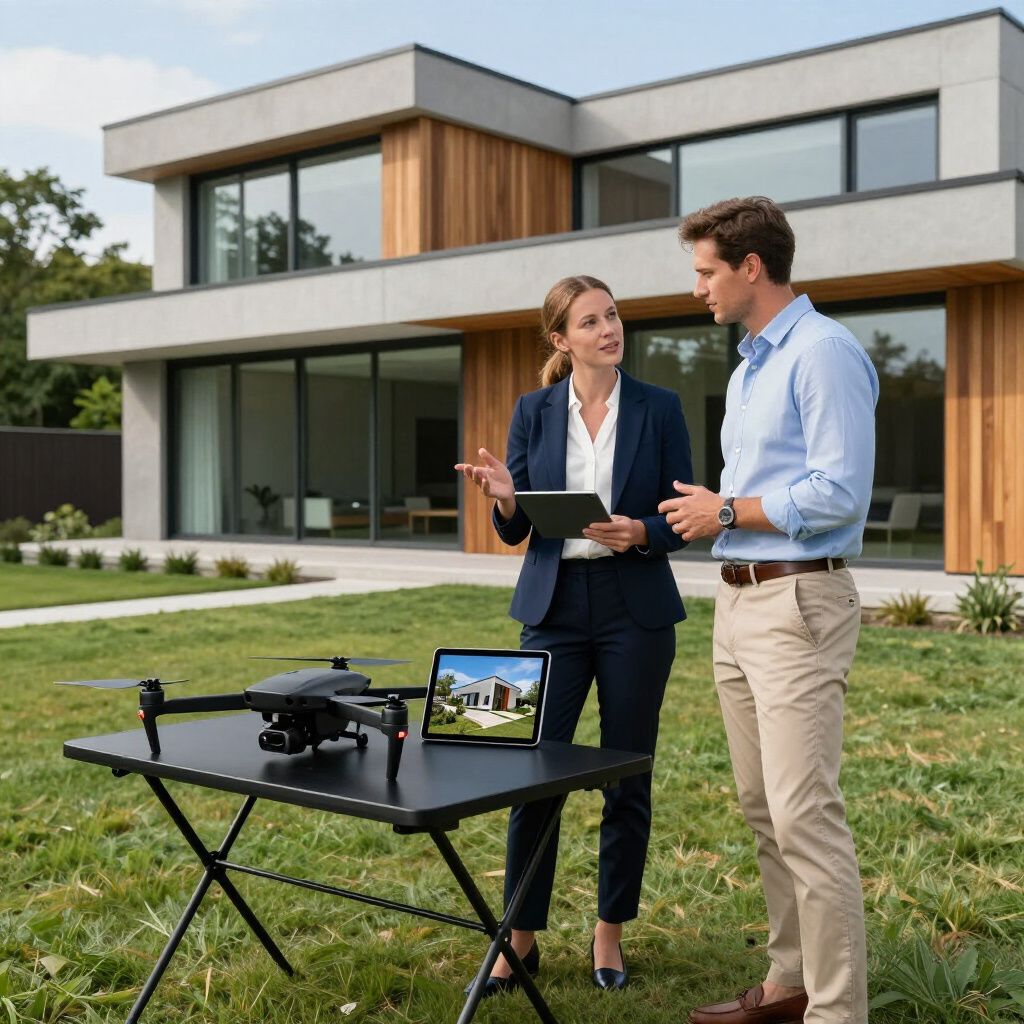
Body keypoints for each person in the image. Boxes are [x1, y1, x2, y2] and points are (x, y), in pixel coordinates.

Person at [659, 197, 878, 1024]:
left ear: (752, 267)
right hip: (739, 601)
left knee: (803, 814)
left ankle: (837, 1011)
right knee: (763, 808)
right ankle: (789, 982)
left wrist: (726, 510)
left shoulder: (822, 352)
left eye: (706, 271)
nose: (698, 288)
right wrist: (717, 518)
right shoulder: (751, 365)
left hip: (799, 600)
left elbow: (837, 490)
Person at [455, 274, 692, 995]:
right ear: (562, 339)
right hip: (554, 609)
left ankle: (609, 932)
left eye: (613, 316)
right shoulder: (533, 411)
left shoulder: (660, 407)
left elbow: (681, 516)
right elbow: (518, 527)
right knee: (535, 775)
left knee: (626, 777)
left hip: (635, 609)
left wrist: (640, 531)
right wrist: (505, 499)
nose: (608, 330)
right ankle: (518, 938)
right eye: (590, 322)